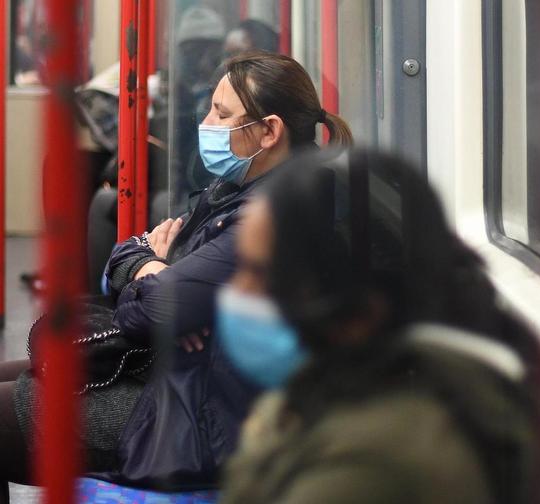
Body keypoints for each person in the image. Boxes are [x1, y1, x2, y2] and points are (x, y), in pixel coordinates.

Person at [0, 52, 352, 501]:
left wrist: (165, 285)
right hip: (175, 373)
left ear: (269, 131)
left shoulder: (275, 219)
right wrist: (153, 269)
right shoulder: (237, 190)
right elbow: (133, 251)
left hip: (196, 414)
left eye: (222, 114)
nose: (206, 122)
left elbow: (151, 312)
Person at [217, 149, 540, 504]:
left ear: (355, 313)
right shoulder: (337, 390)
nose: (237, 292)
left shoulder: (371, 462)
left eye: (257, 274)